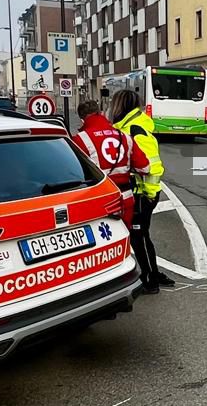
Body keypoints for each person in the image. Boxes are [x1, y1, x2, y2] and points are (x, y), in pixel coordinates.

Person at [111, 89, 173, 294]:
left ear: (120, 105)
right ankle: (152, 274)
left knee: (140, 236)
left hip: (141, 193)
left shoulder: (134, 129)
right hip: (139, 192)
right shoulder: (127, 127)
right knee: (141, 236)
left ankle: (150, 280)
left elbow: (152, 165)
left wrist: (149, 194)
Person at [71, 99, 134, 227]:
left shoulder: (80, 139)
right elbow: (144, 167)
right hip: (126, 198)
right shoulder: (124, 136)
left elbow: (74, 173)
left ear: (82, 118)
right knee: (126, 235)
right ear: (100, 113)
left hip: (101, 200)